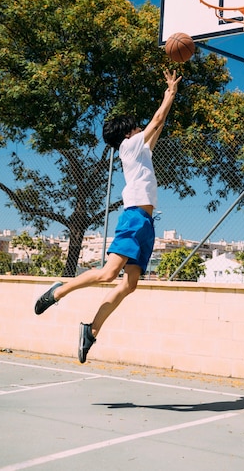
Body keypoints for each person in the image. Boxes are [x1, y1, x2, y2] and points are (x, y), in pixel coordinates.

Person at [35, 68, 182, 363]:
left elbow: (158, 124)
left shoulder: (139, 152)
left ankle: (90, 330)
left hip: (146, 223)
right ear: (128, 133)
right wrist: (170, 94)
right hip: (134, 218)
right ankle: (59, 290)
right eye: (136, 127)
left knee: (130, 283)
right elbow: (155, 121)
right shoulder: (128, 146)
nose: (141, 128)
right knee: (108, 273)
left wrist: (168, 99)